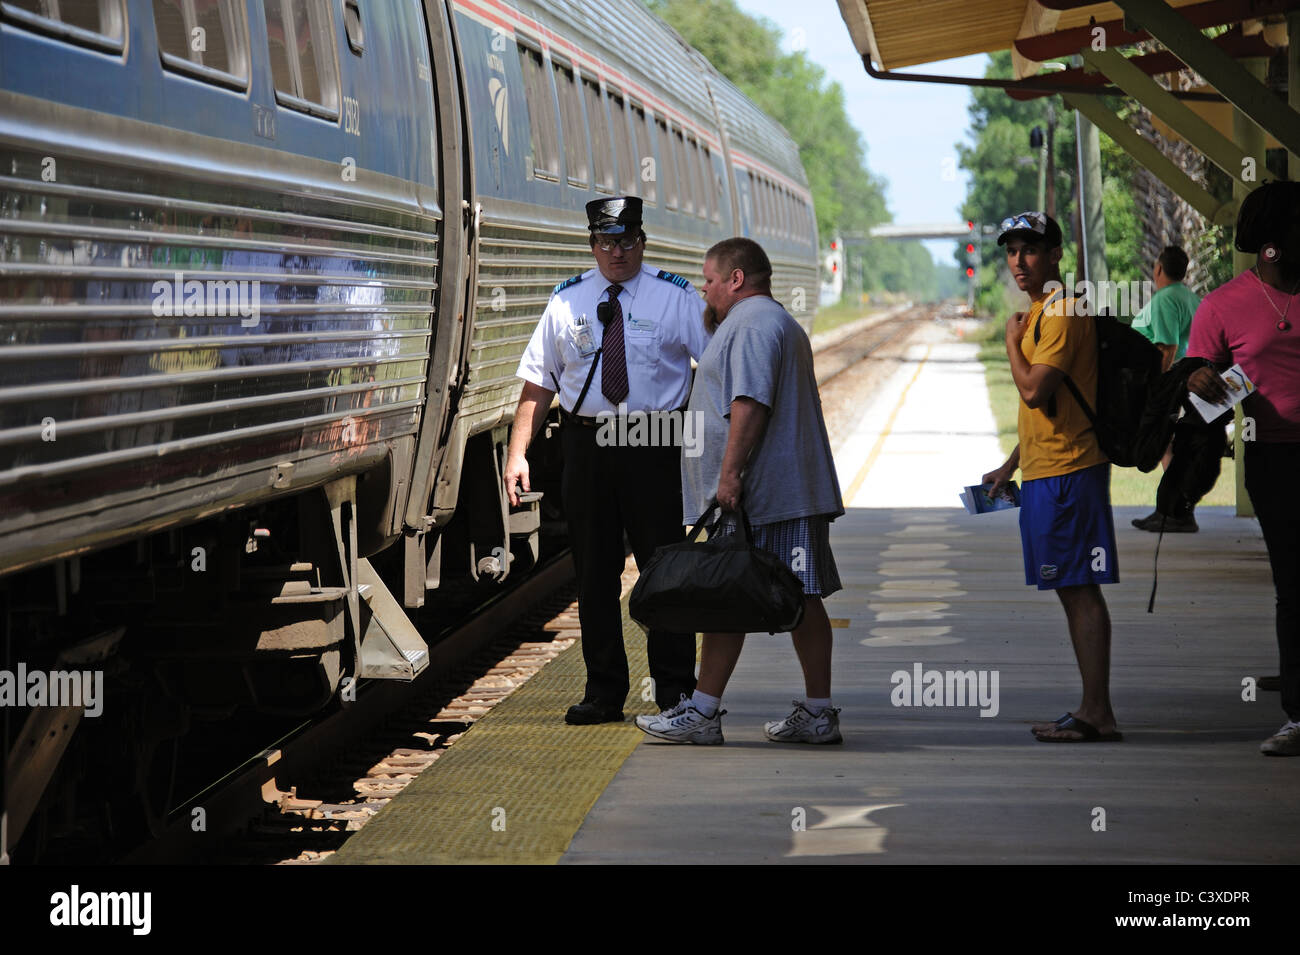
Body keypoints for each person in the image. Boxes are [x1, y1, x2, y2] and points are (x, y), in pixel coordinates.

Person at [505, 197, 709, 724]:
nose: (615, 252)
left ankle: (675, 691)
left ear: (642, 241)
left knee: (663, 569)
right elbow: (539, 382)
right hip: (586, 444)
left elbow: (715, 366)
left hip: (653, 442)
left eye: (625, 241)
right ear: (592, 245)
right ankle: (604, 693)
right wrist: (516, 453)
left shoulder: (675, 299)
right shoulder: (567, 301)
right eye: (605, 242)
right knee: (593, 573)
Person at [633, 237, 845, 746]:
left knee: (792, 597)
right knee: (734, 597)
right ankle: (714, 711)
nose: (704, 292)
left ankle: (802, 712)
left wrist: (728, 478)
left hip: (768, 496)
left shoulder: (752, 325)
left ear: (735, 279)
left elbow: (749, 403)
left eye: (709, 281)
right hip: (771, 494)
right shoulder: (768, 322)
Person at [982, 211, 1122, 743]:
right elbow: (1049, 404)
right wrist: (1012, 462)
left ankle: (1097, 713)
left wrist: (1010, 345)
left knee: (1079, 588)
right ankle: (1092, 709)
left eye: (1031, 249)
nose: (1019, 260)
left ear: (1056, 254)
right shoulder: (1042, 309)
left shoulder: (1063, 309)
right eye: (1012, 250)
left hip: (1070, 470)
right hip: (1046, 470)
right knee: (1068, 586)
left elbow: (1035, 391)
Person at [1184, 180, 1300, 756]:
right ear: (1273, 245)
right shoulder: (1222, 306)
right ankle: (1299, 715)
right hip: (1277, 462)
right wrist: (1196, 379)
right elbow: (1194, 389)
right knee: (1294, 587)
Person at [1130, 245, 1211, 533]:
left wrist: (1157, 390)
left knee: (1164, 445)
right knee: (1171, 447)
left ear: (1159, 269)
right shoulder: (1190, 298)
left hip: (1172, 383)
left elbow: (1167, 347)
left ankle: (1174, 510)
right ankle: (1172, 509)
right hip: (1187, 381)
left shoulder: (1165, 299)